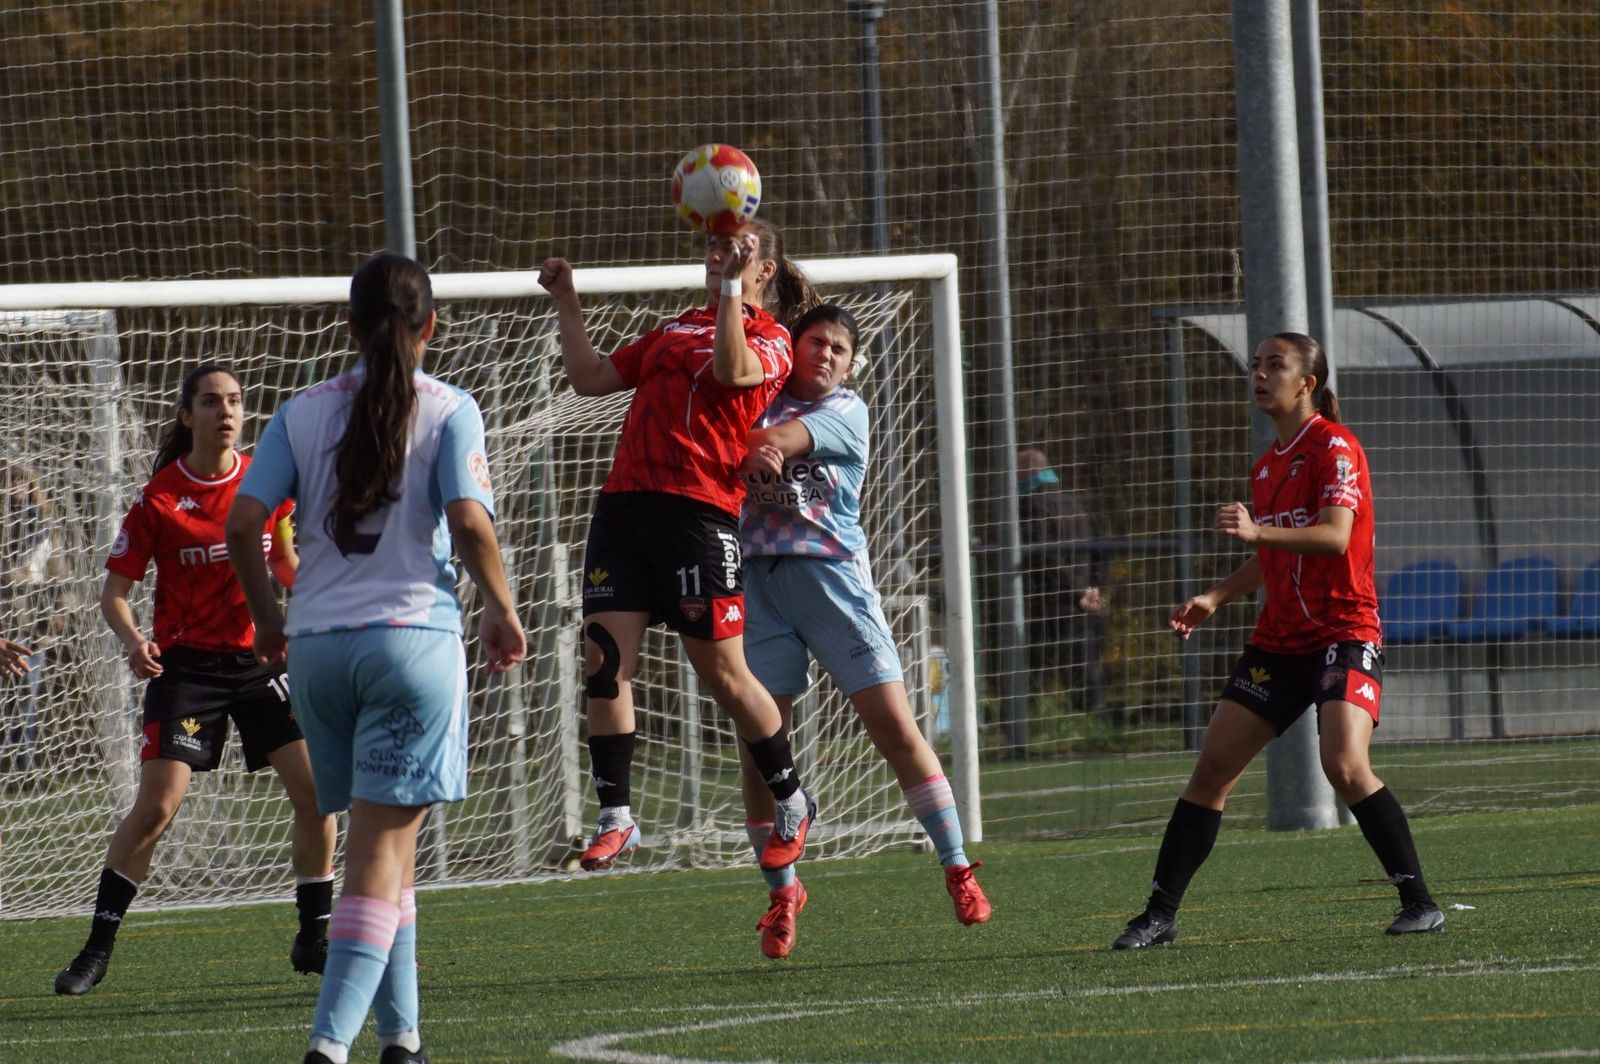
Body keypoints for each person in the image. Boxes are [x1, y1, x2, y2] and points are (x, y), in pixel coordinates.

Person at [228, 253, 525, 1064]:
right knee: (378, 856)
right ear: (430, 325)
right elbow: (468, 525)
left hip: (320, 652)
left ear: (351, 327)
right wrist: (501, 607)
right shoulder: (449, 406)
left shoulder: (301, 410)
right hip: (409, 644)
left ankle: (405, 1042)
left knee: (384, 849)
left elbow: (243, 520)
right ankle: (327, 1050)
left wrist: (266, 619)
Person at [1113, 332, 1443, 950]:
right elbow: (1271, 554)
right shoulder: (1267, 463)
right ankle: (1158, 914)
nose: (1260, 375)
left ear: (1307, 383)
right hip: (1279, 641)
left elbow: (1335, 537)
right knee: (1212, 770)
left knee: (1344, 765)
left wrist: (1258, 531)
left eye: (1275, 365)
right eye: (1257, 365)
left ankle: (1419, 902)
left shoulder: (1336, 449)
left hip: (1343, 632)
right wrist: (1216, 596)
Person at [538, 219, 822, 876]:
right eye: (714, 247)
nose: (719, 257)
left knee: (723, 675)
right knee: (603, 663)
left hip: (698, 514)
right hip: (624, 507)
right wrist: (568, 302)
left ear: (766, 271)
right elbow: (592, 378)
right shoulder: (675, 327)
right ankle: (616, 819)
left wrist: (729, 296)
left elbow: (731, 372)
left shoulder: (772, 339)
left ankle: (791, 795)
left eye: (738, 251)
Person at [53, 364, 338, 996]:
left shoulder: (270, 485)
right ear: (188, 417)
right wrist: (135, 642)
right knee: (156, 808)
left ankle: (314, 937)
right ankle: (96, 948)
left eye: (235, 400)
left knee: (318, 793)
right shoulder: (158, 499)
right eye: (211, 401)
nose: (226, 411)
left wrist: (324, 602)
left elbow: (286, 562)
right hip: (187, 670)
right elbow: (115, 593)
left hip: (260, 661)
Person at [736, 304, 991, 960]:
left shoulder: (847, 411)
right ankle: (783, 894)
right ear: (792, 348)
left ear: (851, 365)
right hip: (761, 591)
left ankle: (958, 866)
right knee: (759, 748)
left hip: (834, 588)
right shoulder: (753, 397)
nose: (825, 354)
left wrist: (759, 449)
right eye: (815, 341)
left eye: (839, 349)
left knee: (896, 729)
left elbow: (781, 443)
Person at [1016, 447, 1107, 716]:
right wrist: (1094, 588)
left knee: (1034, 669)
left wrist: (1077, 592)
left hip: (1051, 602)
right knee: (1084, 668)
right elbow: (1102, 549)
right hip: (1086, 602)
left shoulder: (1031, 506)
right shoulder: (1077, 503)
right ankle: (1091, 721)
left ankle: (1026, 723)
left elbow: (1043, 556)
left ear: (1027, 473)